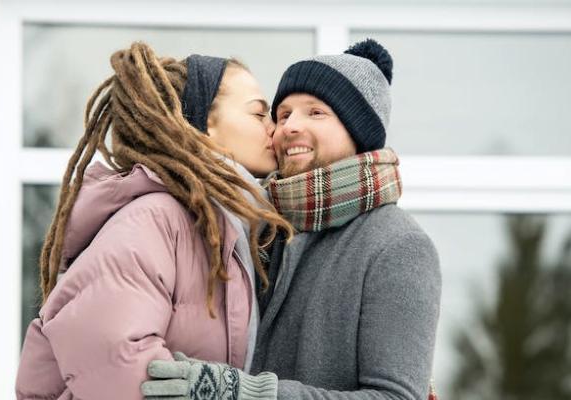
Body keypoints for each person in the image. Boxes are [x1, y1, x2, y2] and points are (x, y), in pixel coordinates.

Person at [142, 38, 441, 400]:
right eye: (282, 115)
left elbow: (396, 396)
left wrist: (251, 394)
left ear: (358, 131)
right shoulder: (254, 229)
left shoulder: (397, 245)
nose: (288, 128)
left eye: (315, 113)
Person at [15, 41, 292, 400]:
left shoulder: (224, 226)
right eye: (258, 114)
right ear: (205, 123)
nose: (274, 129)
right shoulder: (156, 218)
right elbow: (114, 357)